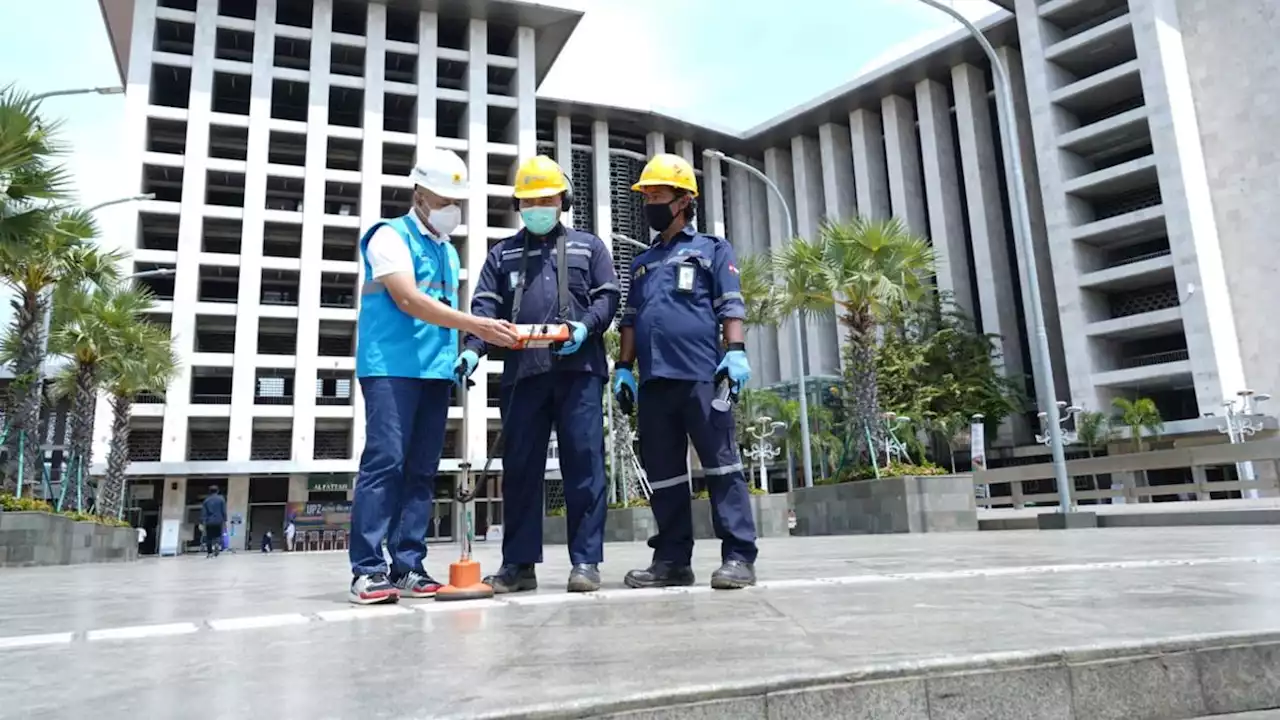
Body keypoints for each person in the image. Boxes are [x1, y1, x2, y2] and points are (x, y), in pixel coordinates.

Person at [349, 148, 521, 605]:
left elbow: (438, 314)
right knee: (385, 462)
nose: (452, 209)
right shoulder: (389, 236)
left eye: (456, 200)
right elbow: (408, 300)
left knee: (422, 470)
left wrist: (460, 355)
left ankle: (407, 565)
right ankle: (367, 570)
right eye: (444, 198)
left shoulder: (444, 250)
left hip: (433, 373)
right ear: (420, 194)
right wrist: (478, 327)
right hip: (390, 368)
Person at [456, 155, 620, 594]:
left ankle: (585, 562)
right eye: (529, 201)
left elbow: (608, 297)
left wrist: (586, 326)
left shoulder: (590, 247)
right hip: (522, 375)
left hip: (578, 371)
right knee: (521, 469)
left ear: (562, 201)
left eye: (546, 199)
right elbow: (484, 310)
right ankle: (519, 565)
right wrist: (473, 350)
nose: (538, 207)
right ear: (519, 205)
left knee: (583, 466)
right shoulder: (502, 253)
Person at [613, 153, 759, 590]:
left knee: (722, 468)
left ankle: (738, 556)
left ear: (683, 201)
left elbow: (729, 304)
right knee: (665, 475)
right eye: (647, 196)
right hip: (655, 383)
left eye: (657, 195)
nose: (650, 204)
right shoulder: (642, 263)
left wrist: (735, 351)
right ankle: (672, 561)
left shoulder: (713, 249)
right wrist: (624, 369)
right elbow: (631, 319)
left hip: (701, 376)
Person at [201, 486, 227, 559]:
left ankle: (209, 553)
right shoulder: (221, 499)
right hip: (219, 520)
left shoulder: (206, 500)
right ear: (217, 491)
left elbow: (204, 512)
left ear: (209, 491)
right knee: (218, 535)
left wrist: (203, 521)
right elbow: (223, 511)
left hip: (209, 521)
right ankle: (217, 545)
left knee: (209, 537)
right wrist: (225, 519)